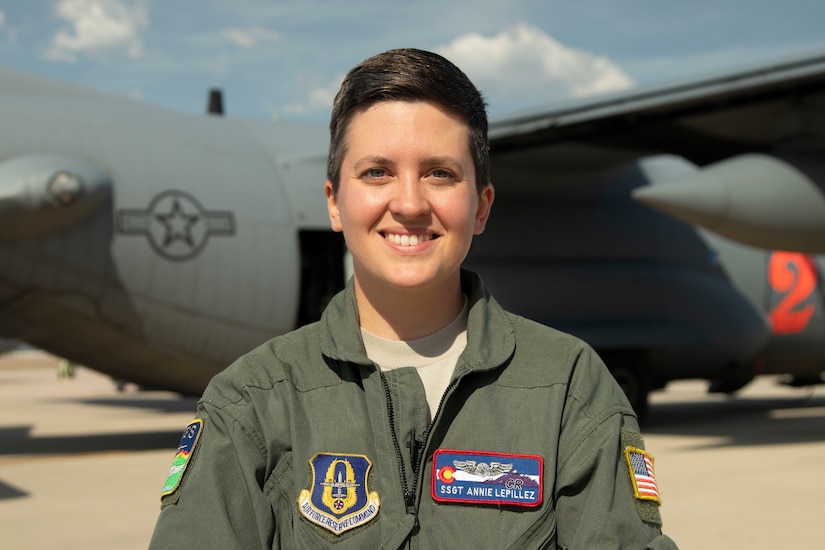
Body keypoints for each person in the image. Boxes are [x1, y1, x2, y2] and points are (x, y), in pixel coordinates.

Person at [149, 48, 678, 549]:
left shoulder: (568, 389)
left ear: (481, 206)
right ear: (334, 203)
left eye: (440, 173)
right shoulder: (254, 402)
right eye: (376, 172)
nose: (408, 203)